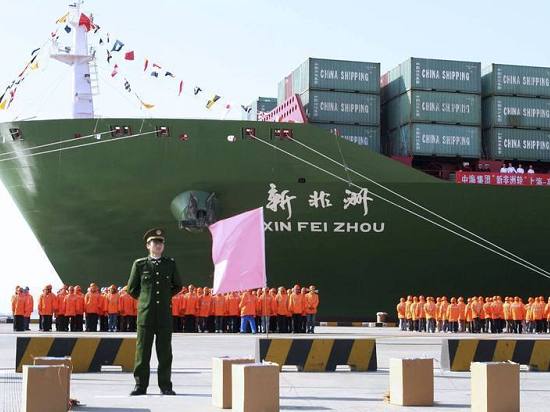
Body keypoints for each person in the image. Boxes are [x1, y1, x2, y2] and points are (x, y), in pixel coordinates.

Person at [127, 228, 182, 396]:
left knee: (165, 353)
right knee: (142, 352)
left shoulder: (170, 264)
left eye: (161, 243)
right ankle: (140, 386)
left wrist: (165, 296)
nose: (158, 245)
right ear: (148, 245)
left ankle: (165, 386)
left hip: (164, 314)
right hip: (146, 315)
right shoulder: (140, 264)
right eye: (155, 243)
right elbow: (131, 289)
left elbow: (178, 285)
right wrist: (145, 299)